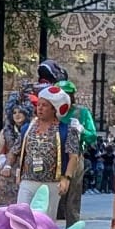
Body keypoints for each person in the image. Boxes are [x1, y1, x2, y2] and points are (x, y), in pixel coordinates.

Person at [9, 85, 79, 219]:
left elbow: (73, 157)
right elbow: (14, 150)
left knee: (45, 222)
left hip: (52, 183)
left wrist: (66, 178)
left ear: (54, 109)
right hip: (28, 181)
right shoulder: (27, 128)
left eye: (45, 105)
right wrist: (7, 166)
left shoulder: (67, 130)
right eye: (39, 105)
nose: (39, 108)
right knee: (21, 218)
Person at [58, 80, 97, 229]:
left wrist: (82, 130)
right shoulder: (53, 112)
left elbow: (92, 136)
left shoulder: (81, 113)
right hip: (54, 156)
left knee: (72, 202)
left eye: (67, 94)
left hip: (75, 157)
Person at [0, 92, 33, 206]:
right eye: (14, 112)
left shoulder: (32, 129)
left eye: (20, 112)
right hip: (9, 165)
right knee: (2, 179)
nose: (17, 115)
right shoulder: (6, 131)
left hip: (26, 164)